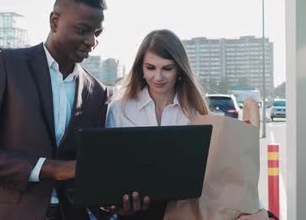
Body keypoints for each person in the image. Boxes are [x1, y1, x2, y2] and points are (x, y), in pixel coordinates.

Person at [0, 0, 146, 220]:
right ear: (54, 21)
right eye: (83, 30)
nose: (92, 41)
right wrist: (51, 168)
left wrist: (111, 205)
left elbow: (86, 175)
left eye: (97, 33)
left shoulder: (98, 92)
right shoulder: (3, 64)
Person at [107, 29, 269, 220]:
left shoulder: (196, 113)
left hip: (185, 212)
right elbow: (110, 168)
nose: (158, 77)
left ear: (179, 70)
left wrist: (258, 210)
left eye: (167, 68)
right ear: (140, 69)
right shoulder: (119, 109)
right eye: (150, 67)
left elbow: (223, 172)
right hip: (133, 213)